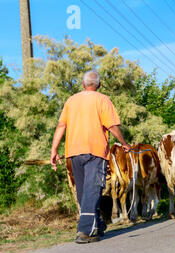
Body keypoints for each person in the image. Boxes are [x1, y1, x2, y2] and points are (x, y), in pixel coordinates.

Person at [50, 70, 131, 244]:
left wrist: (54, 150)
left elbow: (60, 126)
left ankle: (98, 225)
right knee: (92, 190)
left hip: (73, 153)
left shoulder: (71, 101)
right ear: (99, 85)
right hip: (95, 151)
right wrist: (124, 143)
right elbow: (112, 126)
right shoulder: (102, 99)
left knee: (82, 193)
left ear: (82, 84)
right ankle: (85, 231)